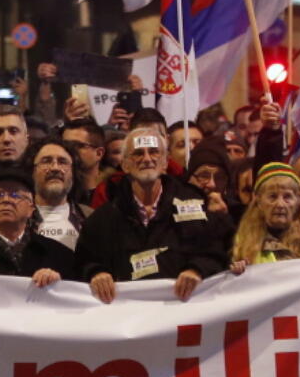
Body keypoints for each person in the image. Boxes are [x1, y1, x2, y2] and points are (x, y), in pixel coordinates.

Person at [75, 128, 228, 303]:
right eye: (138, 153)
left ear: (164, 163)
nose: (147, 159)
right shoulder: (103, 219)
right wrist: (96, 272)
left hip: (184, 312)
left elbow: (217, 251)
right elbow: (83, 261)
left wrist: (197, 269)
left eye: (154, 152)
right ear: (125, 165)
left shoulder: (196, 205)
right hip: (129, 319)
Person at [229, 163, 300, 273]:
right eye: (272, 196)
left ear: (298, 202)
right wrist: (239, 272)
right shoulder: (243, 242)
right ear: (259, 201)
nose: (280, 204)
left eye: (287, 197)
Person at [28, 139, 90, 251]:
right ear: (32, 171)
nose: (55, 168)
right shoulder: (18, 217)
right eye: (46, 161)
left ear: (73, 173)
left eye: (62, 162)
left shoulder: (90, 217)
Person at [60, 118, 108, 196]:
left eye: (77, 145)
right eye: (65, 144)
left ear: (99, 153)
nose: (69, 149)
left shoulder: (113, 195)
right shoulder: (55, 194)